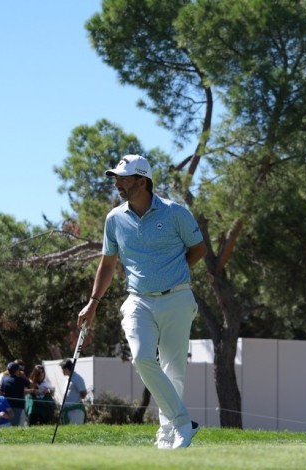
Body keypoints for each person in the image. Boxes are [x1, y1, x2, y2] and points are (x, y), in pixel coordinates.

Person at [77, 154, 206, 449]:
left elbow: (198, 249)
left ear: (141, 180)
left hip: (177, 298)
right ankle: (184, 422)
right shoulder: (114, 219)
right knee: (142, 357)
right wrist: (93, 303)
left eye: (123, 178)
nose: (118, 184)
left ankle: (167, 432)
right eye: (117, 178)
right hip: (138, 301)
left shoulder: (175, 213)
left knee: (175, 370)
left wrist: (174, 272)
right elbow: (107, 265)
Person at [0, 362, 30, 426]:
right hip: (19, 406)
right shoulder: (21, 380)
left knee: (9, 424)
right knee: (18, 424)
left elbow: (1, 393)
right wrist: (24, 377)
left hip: (8, 405)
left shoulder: (5, 380)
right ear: (17, 371)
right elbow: (31, 385)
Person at [59, 359, 87, 425]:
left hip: (76, 412)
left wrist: (75, 400)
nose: (62, 371)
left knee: (76, 433)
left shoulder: (77, 378)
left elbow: (83, 393)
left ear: (67, 369)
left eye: (63, 369)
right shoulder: (68, 380)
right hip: (68, 411)